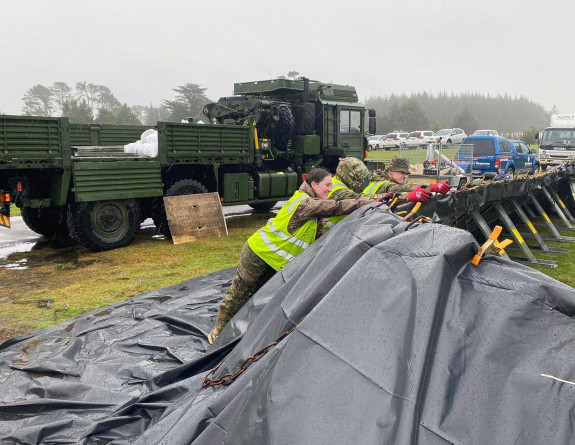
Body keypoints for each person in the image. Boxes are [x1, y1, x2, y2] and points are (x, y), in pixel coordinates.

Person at [208, 168, 380, 343]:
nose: (330, 189)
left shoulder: (312, 207)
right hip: (258, 253)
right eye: (327, 185)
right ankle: (218, 333)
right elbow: (335, 207)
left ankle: (244, 334)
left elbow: (320, 236)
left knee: (260, 297)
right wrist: (362, 203)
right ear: (314, 184)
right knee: (239, 294)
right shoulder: (305, 204)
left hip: (274, 261)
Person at [364, 156, 450, 202]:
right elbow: (401, 188)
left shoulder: (379, 179)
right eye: (401, 173)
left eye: (406, 173)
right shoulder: (384, 184)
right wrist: (432, 187)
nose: (405, 176)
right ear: (390, 171)